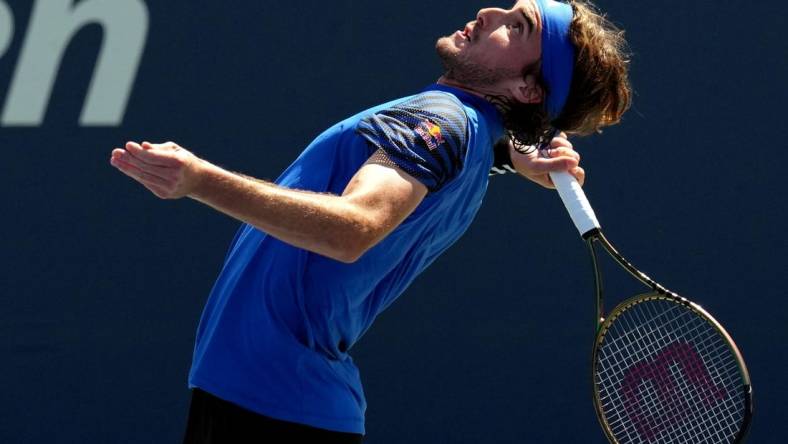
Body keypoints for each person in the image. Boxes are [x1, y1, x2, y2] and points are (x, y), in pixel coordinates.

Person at [110, 0, 631, 442]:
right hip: (276, 400)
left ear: (526, 88)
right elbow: (455, 152)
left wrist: (200, 180)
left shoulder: (441, 120)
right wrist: (512, 153)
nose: (489, 11)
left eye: (518, 27)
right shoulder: (469, 135)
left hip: (268, 404)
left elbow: (353, 228)